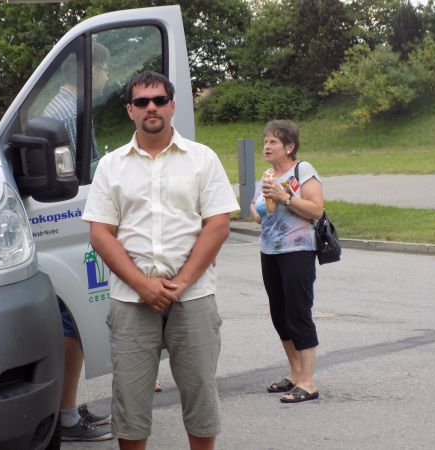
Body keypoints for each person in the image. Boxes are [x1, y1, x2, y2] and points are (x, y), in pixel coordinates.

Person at [82, 71, 239, 450]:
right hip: (131, 299)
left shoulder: (202, 159)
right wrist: (143, 285)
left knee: (201, 394)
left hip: (194, 295)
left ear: (172, 106)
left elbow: (218, 225)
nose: (151, 107)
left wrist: (180, 282)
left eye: (158, 100)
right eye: (142, 102)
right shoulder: (111, 166)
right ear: (130, 110)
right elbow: (101, 234)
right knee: (130, 400)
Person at [43, 42, 113, 442]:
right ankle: (65, 415)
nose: (107, 78)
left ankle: (66, 407)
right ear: (92, 72)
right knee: (72, 323)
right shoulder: (67, 114)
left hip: (74, 224)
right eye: (105, 71)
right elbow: (74, 177)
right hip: (71, 225)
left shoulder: (65, 109)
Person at [250, 120, 324, 403]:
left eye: (273, 142)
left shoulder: (302, 170)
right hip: (269, 251)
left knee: (298, 312)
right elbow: (257, 211)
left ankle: (308, 382)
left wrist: (285, 197)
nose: (266, 146)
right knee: (279, 315)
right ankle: (294, 373)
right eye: (265, 141)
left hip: (298, 250)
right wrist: (257, 209)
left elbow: (316, 209)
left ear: (289, 147)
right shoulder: (267, 175)